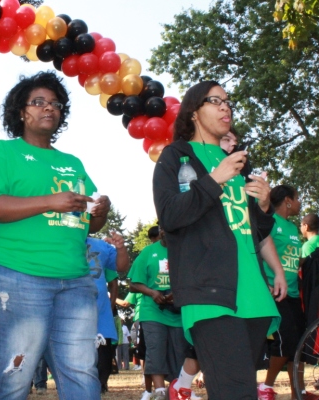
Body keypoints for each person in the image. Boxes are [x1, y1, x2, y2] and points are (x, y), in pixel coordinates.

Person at [0, 71, 111, 400]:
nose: (49, 108)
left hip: (74, 278)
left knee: (82, 372)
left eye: (56, 104)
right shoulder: (3, 152)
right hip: (13, 272)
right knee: (15, 371)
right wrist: (50, 201)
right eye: (39, 102)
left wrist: (99, 214)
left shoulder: (72, 162)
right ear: (21, 112)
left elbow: (85, 224)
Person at [153, 80, 280, 400]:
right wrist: (214, 178)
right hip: (208, 291)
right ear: (194, 112)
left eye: (228, 101)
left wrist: (264, 208)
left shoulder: (238, 161)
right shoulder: (176, 156)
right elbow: (170, 216)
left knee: (235, 390)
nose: (226, 106)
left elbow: (253, 230)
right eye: (215, 101)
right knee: (236, 393)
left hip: (253, 295)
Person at [258, 186, 318, 400]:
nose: (300, 202)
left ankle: (298, 393)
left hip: (293, 295)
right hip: (275, 294)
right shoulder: (270, 222)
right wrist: (265, 284)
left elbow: (295, 259)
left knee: (300, 344)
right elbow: (257, 251)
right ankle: (265, 387)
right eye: (298, 198)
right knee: (285, 343)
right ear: (287, 201)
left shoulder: (293, 228)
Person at [128, 227, 189, 400]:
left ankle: (175, 390)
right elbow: (133, 284)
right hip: (152, 312)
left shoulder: (185, 251)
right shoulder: (148, 252)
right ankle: (160, 391)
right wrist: (153, 293)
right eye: (165, 229)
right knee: (155, 350)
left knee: (179, 352)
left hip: (178, 313)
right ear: (161, 231)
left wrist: (177, 294)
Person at [87, 232, 130, 393]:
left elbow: (121, 267)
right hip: (69, 312)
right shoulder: (62, 240)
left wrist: (120, 248)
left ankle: (101, 385)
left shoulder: (101, 245)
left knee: (104, 354)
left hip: (101, 313)